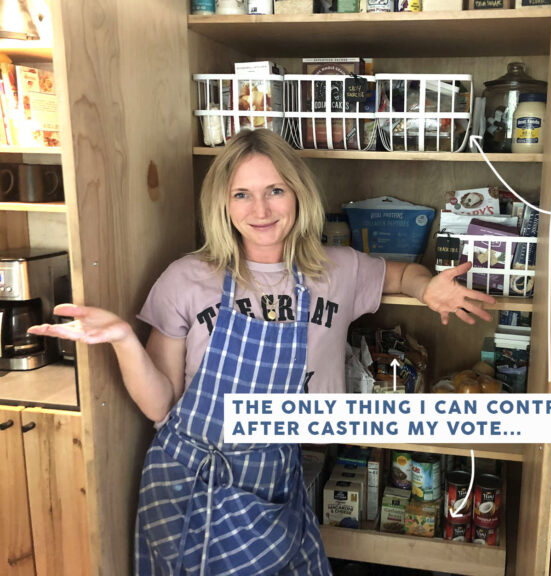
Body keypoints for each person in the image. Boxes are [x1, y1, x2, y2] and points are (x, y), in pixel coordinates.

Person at [29, 128, 495, 575]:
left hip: (277, 469)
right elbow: (161, 405)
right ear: (222, 204)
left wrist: (427, 287)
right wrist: (124, 340)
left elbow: (398, 274)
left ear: (298, 194)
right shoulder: (186, 278)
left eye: (274, 190)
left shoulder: (336, 268)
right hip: (193, 481)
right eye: (241, 194)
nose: (260, 209)